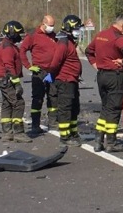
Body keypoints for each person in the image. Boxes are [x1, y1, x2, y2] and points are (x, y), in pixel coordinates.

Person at [85, 14, 123, 152]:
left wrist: (95, 64)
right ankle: (111, 142)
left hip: (101, 76)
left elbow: (89, 51)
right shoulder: (117, 37)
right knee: (114, 109)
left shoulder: (101, 34)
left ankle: (98, 140)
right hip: (115, 76)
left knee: (106, 108)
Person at [47, 15, 84, 147]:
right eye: (77, 28)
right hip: (65, 81)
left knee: (74, 108)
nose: (79, 31)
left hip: (72, 80)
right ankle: (64, 136)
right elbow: (55, 62)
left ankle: (73, 133)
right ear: (69, 27)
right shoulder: (63, 43)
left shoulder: (68, 42)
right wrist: (51, 75)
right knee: (65, 108)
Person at [19, 15, 58, 135]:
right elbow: (22, 51)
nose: (51, 28)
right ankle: (35, 125)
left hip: (51, 71)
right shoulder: (33, 36)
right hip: (39, 72)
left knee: (53, 96)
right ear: (43, 23)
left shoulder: (53, 35)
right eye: (50, 26)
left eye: (53, 26)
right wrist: (28, 66)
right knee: (38, 98)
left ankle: (53, 122)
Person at [0, 20, 32, 143]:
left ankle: (7, 133)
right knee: (18, 103)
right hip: (7, 80)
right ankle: (18, 133)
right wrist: (17, 83)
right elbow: (9, 66)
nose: (19, 37)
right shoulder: (7, 47)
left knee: (7, 104)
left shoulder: (9, 45)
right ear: (11, 33)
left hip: (4, 79)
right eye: (18, 34)